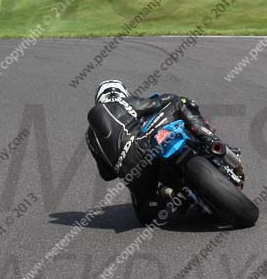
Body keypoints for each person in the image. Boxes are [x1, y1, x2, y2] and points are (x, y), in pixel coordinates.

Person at [86, 79, 226, 224]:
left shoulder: (90, 136)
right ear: (123, 93)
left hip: (132, 176)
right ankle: (210, 140)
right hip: (144, 147)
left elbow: (107, 175)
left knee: (146, 217)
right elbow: (159, 103)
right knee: (179, 102)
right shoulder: (125, 103)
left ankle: (170, 193)